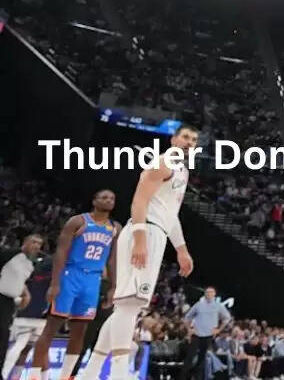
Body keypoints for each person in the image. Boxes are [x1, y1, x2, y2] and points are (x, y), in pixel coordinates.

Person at [79, 125, 198, 380]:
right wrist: (141, 240)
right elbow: (139, 201)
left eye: (194, 140)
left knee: (125, 308)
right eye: (185, 137)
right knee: (129, 306)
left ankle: (89, 374)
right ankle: (118, 374)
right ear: (174, 139)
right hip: (145, 230)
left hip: (157, 232)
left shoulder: (182, 170)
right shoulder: (162, 163)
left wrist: (182, 249)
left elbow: (170, 214)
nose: (189, 142)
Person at [31, 191, 119, 380]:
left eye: (112, 198)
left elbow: (112, 260)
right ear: (94, 201)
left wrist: (113, 286)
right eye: (104, 197)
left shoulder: (114, 228)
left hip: (93, 280)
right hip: (71, 274)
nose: (109, 201)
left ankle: (66, 376)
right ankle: (34, 375)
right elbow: (61, 252)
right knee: (52, 327)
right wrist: (55, 283)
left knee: (80, 331)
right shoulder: (78, 221)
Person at [0, 235, 45, 375]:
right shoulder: (10, 254)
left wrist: (25, 293)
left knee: (3, 338)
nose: (36, 246)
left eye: (39, 244)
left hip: (9, 303)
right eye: (33, 242)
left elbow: (19, 280)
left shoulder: (30, 264)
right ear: (25, 242)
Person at [183, 287, 230, 380]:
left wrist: (219, 330)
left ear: (214, 294)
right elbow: (188, 317)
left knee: (202, 358)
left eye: (211, 292)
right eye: (207, 292)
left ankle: (198, 378)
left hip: (208, 335)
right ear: (205, 294)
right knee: (190, 357)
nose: (209, 294)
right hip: (196, 334)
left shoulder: (219, 306)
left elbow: (227, 318)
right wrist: (189, 329)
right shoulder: (198, 305)